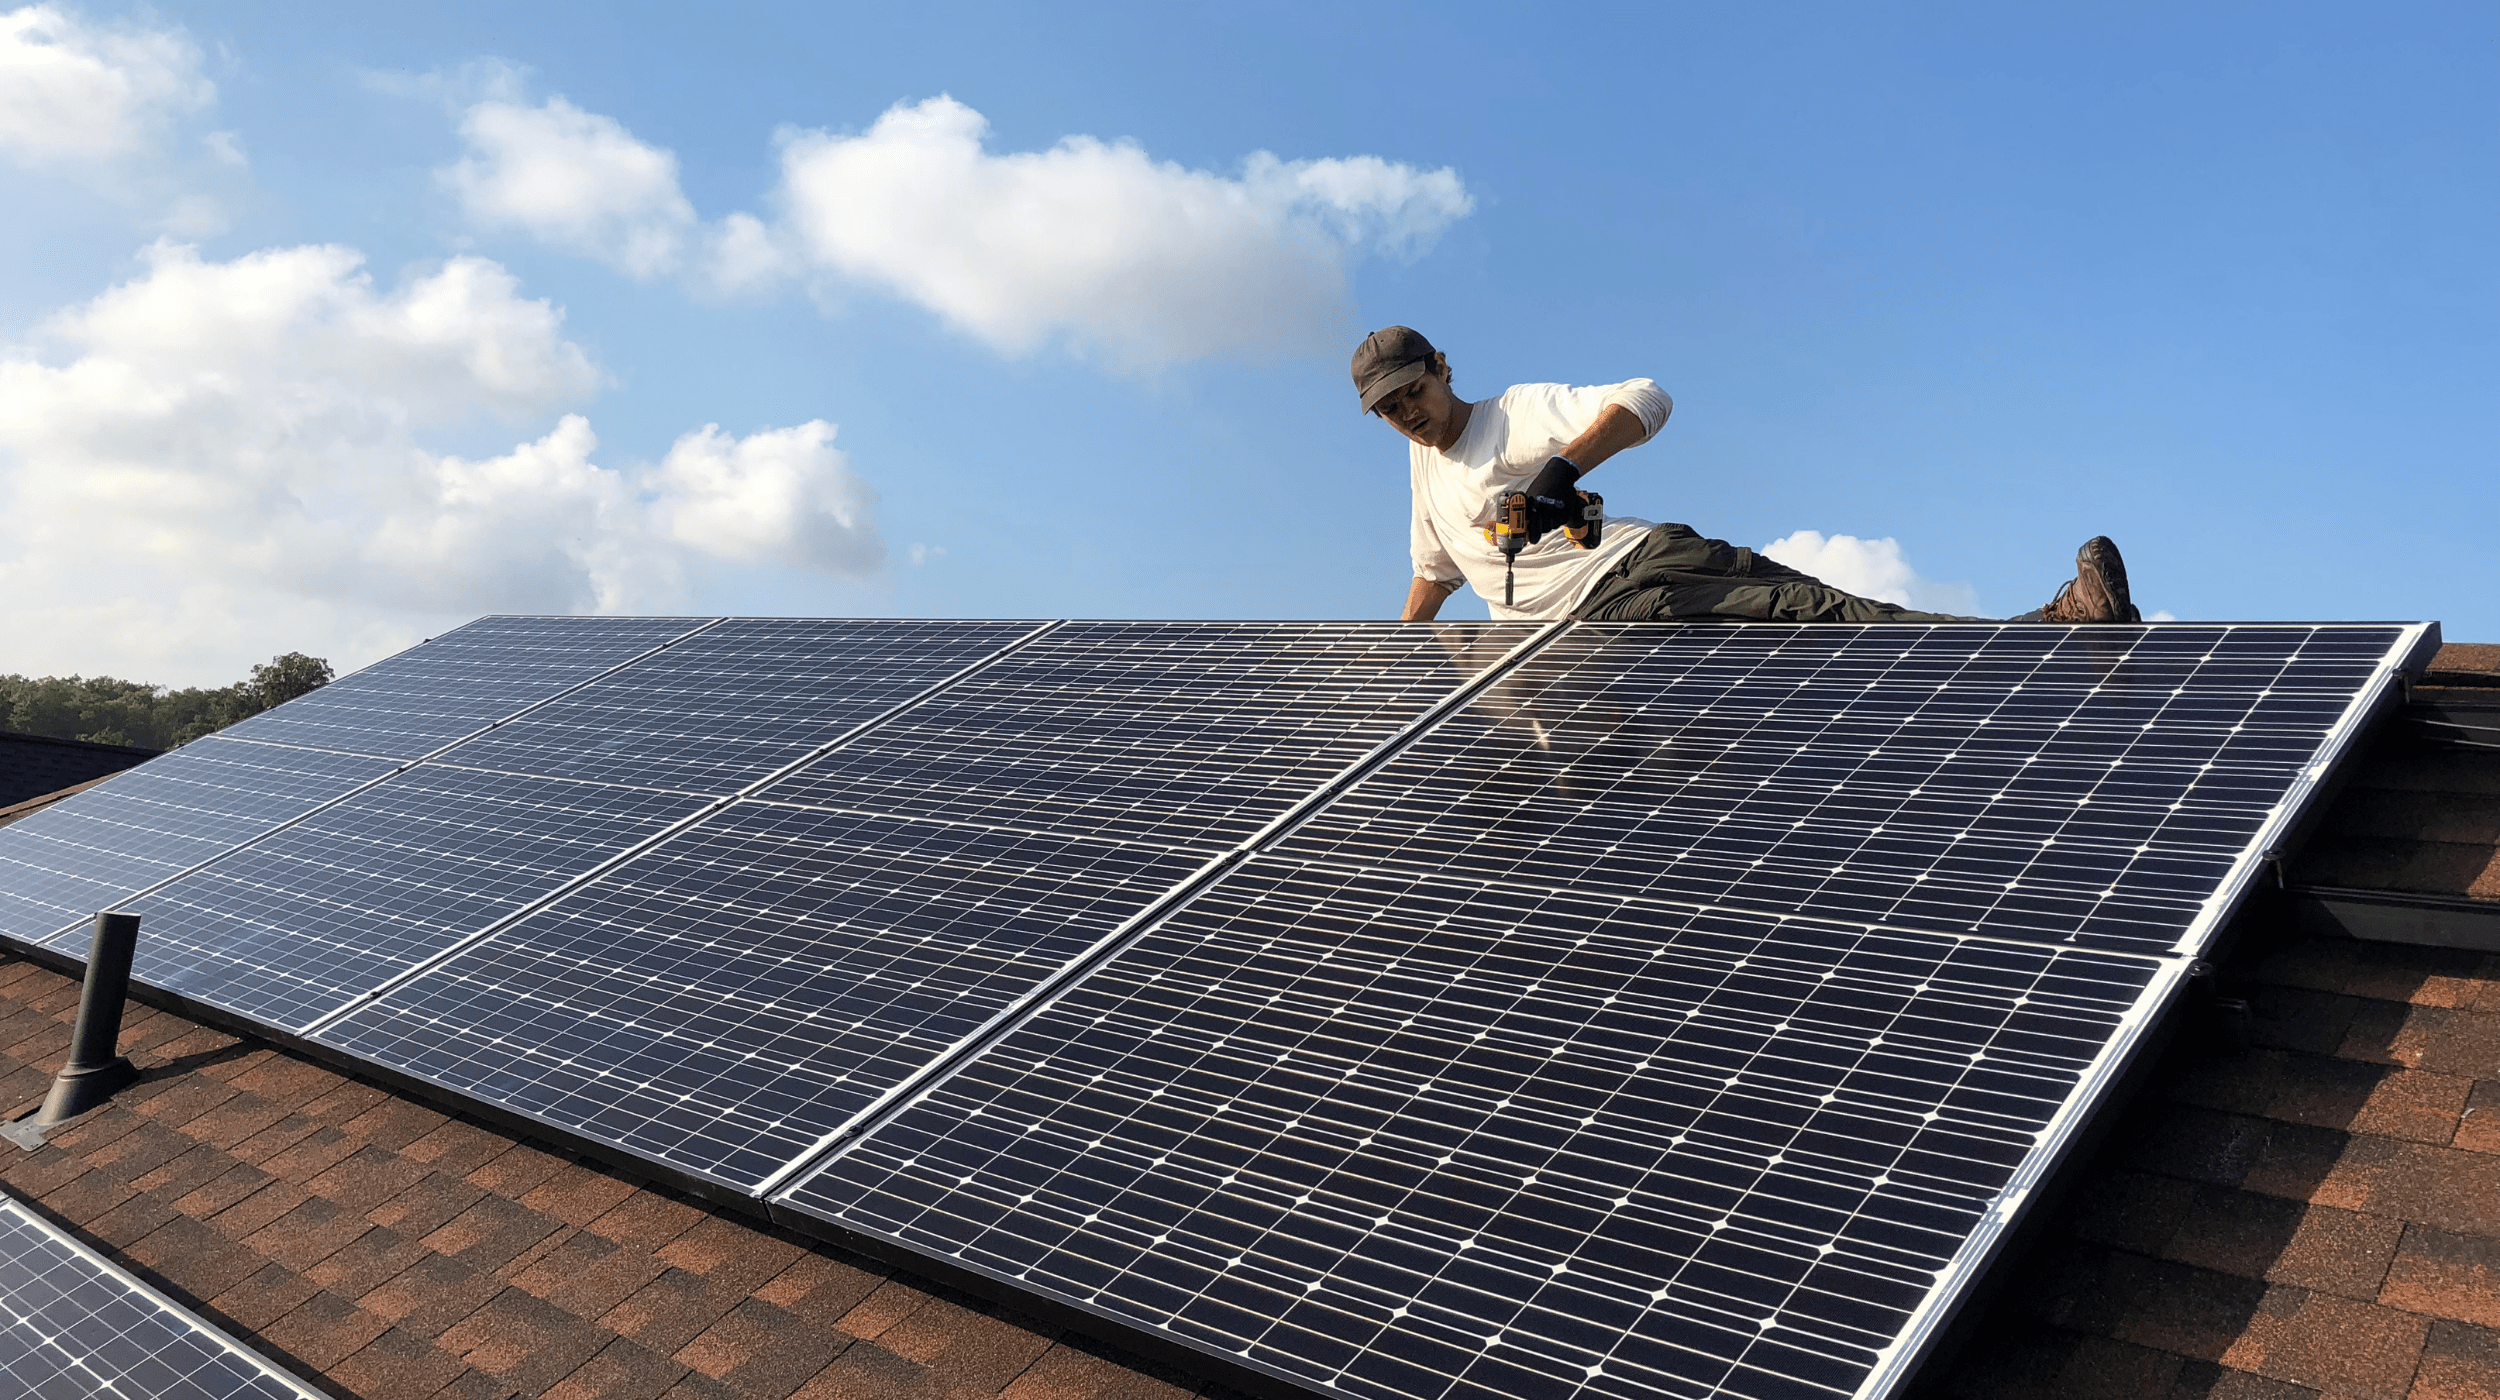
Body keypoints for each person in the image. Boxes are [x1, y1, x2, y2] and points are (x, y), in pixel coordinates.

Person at [1351, 325, 2140, 625]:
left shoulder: (1514, 414)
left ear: (1442, 368)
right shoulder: (1424, 471)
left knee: (1826, 619)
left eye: (1413, 392)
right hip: (1582, 644)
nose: (1408, 413)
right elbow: (1434, 573)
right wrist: (1395, 666)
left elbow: (1645, 397)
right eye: (1389, 409)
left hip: (1638, 574)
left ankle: (2052, 630)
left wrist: (1561, 471)